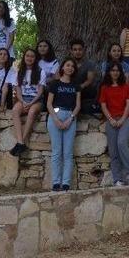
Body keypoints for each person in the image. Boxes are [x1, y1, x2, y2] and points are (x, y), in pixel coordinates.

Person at [99, 63, 129, 186]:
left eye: (117, 70)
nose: (115, 72)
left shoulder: (126, 86)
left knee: (121, 142)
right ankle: (117, 179)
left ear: (121, 72)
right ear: (109, 72)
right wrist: (110, 119)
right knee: (113, 150)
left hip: (125, 118)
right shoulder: (105, 87)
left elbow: (128, 104)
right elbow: (103, 105)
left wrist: (122, 119)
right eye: (113, 70)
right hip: (111, 119)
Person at [46, 58, 81, 191]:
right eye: (67, 65)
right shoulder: (55, 84)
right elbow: (49, 103)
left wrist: (70, 119)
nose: (70, 68)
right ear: (62, 67)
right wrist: (55, 119)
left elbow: (78, 105)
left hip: (70, 117)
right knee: (56, 152)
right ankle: (56, 183)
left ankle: (66, 183)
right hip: (55, 115)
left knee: (68, 153)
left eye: (72, 66)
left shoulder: (76, 85)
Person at [10, 48, 47, 156]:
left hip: (36, 100)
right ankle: (21, 142)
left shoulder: (41, 72)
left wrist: (30, 103)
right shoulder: (19, 72)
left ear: (35, 59)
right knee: (15, 110)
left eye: (32, 56)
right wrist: (23, 102)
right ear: (24, 57)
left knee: (31, 112)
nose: (29, 58)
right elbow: (18, 90)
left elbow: (40, 91)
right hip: (23, 99)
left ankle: (21, 141)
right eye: (27, 56)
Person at [70, 39, 99, 115]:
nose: (77, 52)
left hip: (85, 91)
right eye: (75, 50)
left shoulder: (90, 64)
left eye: (80, 49)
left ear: (83, 50)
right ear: (71, 51)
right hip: (70, 90)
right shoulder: (68, 64)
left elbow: (89, 80)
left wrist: (78, 88)